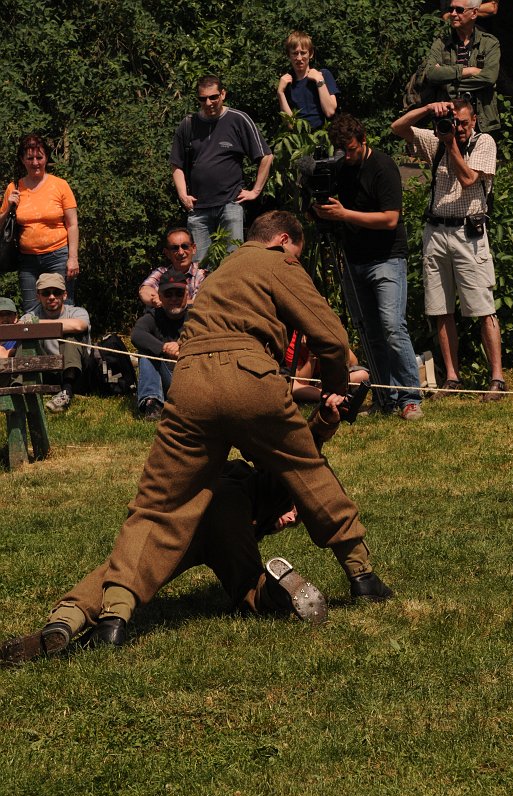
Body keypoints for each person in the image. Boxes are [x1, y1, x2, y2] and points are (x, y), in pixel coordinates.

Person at [18, 210, 393, 652]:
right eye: (298, 252)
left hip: (191, 381)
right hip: (250, 376)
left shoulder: (217, 276)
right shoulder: (277, 262)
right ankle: (362, 575)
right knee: (307, 471)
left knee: (157, 506)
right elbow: (330, 337)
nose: (296, 259)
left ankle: (114, 616)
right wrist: (335, 386)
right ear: (284, 241)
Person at [0, 406, 338, 664]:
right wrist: (320, 426)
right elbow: (301, 452)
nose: (292, 517)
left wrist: (264, 523)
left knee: (125, 569)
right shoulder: (273, 483)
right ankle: (280, 588)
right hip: (224, 509)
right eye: (297, 509)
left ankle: (64, 622)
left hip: (186, 516)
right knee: (249, 588)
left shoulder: (261, 498)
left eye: (296, 520)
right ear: (298, 493)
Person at [391, 98, 505, 401]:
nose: (460, 129)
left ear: (475, 121)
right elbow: (398, 127)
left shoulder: (484, 142)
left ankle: (497, 379)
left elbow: (468, 179)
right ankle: (452, 378)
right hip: (436, 231)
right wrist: (430, 110)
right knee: (441, 309)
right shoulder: (440, 138)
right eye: (456, 124)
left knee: (483, 308)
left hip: (469, 232)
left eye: (465, 123)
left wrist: (451, 142)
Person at [313, 114, 423, 420]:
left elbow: (390, 219)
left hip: (387, 257)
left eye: (351, 149)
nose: (347, 156)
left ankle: (410, 397)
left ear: (364, 140)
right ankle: (384, 398)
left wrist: (344, 214)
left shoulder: (383, 166)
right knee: (370, 333)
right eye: (342, 151)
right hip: (353, 259)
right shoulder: (340, 168)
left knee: (392, 327)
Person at [170, 75, 274, 262]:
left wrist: (255, 191)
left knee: (232, 263)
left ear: (223, 94)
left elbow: (266, 156)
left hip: (230, 204)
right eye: (203, 99)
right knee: (199, 269)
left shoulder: (238, 119)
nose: (208, 103)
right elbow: (176, 164)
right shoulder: (188, 124)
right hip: (198, 209)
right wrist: (182, 194)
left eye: (213, 97)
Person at [0, 133, 80, 313]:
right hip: (27, 260)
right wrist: (8, 208)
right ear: (22, 159)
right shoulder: (14, 188)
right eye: (30, 158)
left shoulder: (60, 185)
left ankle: (65, 342)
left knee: (63, 308)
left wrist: (73, 257)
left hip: (58, 255)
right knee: (31, 311)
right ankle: (35, 342)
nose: (35, 162)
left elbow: (72, 224)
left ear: (46, 158)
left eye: (39, 157)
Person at [425, 0, 500, 134]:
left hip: (481, 120)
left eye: (459, 10)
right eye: (451, 9)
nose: (452, 14)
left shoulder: (489, 43)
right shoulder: (441, 43)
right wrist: (468, 71)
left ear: (474, 13)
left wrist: (449, 85)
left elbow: (489, 77)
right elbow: (431, 73)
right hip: (447, 119)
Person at [20, 273, 91, 412]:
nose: (51, 297)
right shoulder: (30, 316)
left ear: (64, 295)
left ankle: (66, 392)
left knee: (70, 337)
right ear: (38, 296)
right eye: (46, 293)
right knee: (26, 340)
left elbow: (78, 326)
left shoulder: (77, 312)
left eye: (56, 292)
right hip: (47, 370)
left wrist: (36, 325)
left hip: (78, 371)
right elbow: (20, 327)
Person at [132, 269, 189, 421]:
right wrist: (163, 347)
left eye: (179, 293)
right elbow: (137, 334)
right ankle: (152, 403)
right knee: (145, 351)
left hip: (191, 381)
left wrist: (180, 345)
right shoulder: (154, 316)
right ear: (160, 297)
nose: (174, 298)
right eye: (168, 294)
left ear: (187, 294)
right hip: (167, 379)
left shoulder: (197, 317)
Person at [285, 330, 369, 404]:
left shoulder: (328, 335)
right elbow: (303, 381)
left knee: (362, 375)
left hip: (326, 381)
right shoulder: (293, 344)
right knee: (291, 387)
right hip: (305, 384)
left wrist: (338, 343)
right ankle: (325, 395)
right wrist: (311, 355)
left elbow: (353, 363)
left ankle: (326, 393)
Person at [277, 31, 339, 129]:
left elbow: (330, 111)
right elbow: (290, 125)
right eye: (295, 53)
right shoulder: (287, 83)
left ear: (311, 54)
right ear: (289, 55)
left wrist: (319, 80)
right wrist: (280, 92)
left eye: (303, 53)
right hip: (301, 140)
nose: (299, 58)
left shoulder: (323, 75)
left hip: (325, 137)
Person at [138, 228, 208, 309]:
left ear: (194, 248)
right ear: (167, 253)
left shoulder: (203, 275)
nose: (181, 252)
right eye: (175, 248)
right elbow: (145, 289)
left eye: (185, 246)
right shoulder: (162, 272)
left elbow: (201, 302)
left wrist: (166, 303)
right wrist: (154, 300)